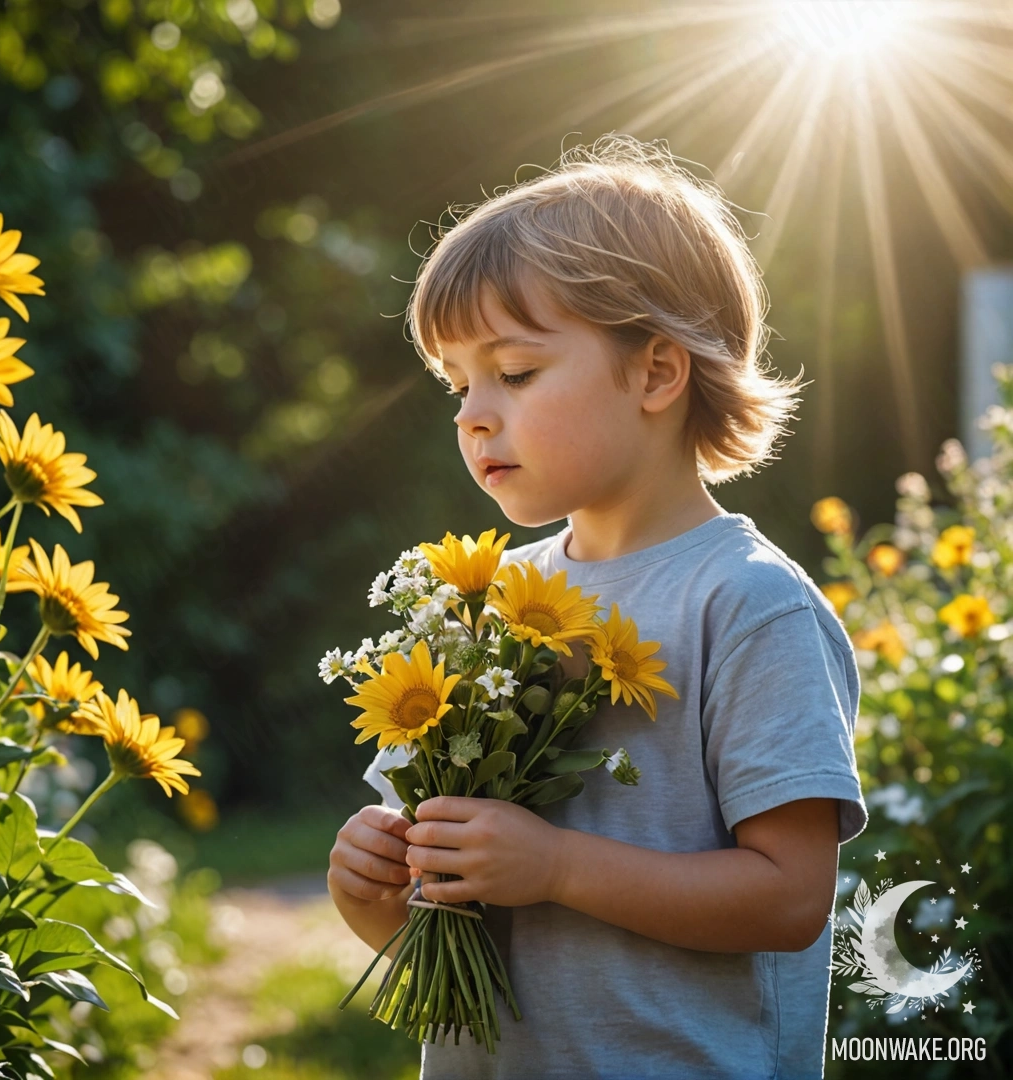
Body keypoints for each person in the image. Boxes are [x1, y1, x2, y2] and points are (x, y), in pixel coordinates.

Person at [327, 133, 868, 1080]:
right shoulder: (481, 604)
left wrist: (558, 867)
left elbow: (789, 898)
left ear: (658, 372)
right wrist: (375, 884)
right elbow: (434, 919)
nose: (471, 414)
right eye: (459, 385)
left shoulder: (747, 603)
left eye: (517, 372)